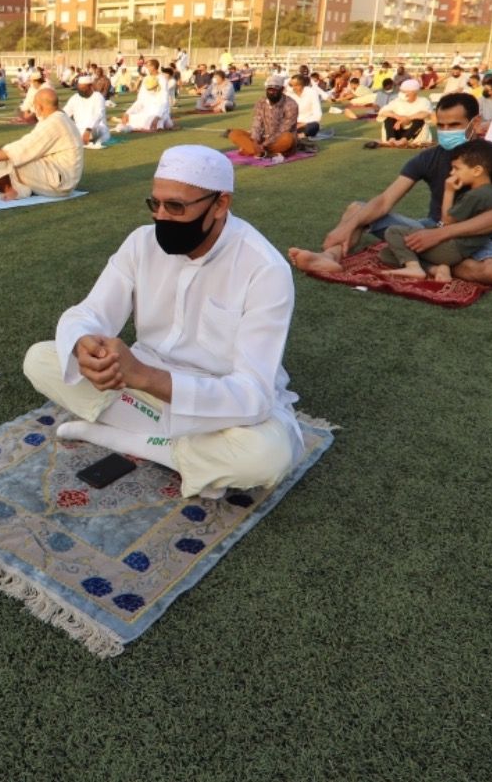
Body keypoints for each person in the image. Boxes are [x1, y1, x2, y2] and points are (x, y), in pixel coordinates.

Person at [21, 144, 302, 499]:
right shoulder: (141, 244)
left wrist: (145, 377)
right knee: (41, 359)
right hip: (141, 385)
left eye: (176, 206)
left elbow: (252, 394)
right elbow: (88, 313)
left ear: (220, 204)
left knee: (267, 456)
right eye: (156, 204)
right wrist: (83, 343)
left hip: (216, 402)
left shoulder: (264, 269)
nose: (162, 217)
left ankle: (122, 437)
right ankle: (188, 453)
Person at [288, 93, 492, 286]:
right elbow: (385, 201)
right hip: (430, 229)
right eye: (441, 125)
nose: (446, 131)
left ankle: (428, 263)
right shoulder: (429, 157)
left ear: (475, 123)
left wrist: (440, 235)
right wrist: (347, 226)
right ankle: (330, 257)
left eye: (454, 125)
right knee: (357, 210)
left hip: (477, 240)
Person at [378, 140, 492, 282]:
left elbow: (446, 221)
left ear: (477, 170)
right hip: (462, 250)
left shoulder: (477, 195)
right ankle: (436, 269)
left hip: (452, 250)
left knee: (394, 232)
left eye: (456, 168)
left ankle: (414, 268)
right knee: (386, 254)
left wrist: (449, 191)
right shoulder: (489, 192)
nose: (452, 173)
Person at [227, 73, 300, 159]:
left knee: (288, 138)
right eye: (269, 90)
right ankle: (262, 152)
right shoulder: (261, 102)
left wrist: (263, 144)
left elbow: (283, 130)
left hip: (278, 139)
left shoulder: (291, 104)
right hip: (262, 138)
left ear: (282, 89)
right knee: (234, 134)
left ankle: (256, 150)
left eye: (275, 90)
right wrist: (255, 141)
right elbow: (256, 123)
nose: (271, 92)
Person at [116, 63, 173, 132]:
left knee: (155, 121)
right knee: (131, 118)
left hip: (160, 111)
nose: (146, 69)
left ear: (153, 67)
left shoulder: (162, 80)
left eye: (148, 67)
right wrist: (127, 113)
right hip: (147, 110)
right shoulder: (146, 79)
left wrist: (157, 116)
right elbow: (140, 101)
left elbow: (164, 102)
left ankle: (163, 122)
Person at [375, 78, 433, 146]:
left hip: (413, 134)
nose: (403, 94)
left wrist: (408, 118)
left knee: (419, 120)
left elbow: (425, 113)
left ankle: (404, 140)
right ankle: (391, 139)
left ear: (414, 92)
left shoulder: (424, 101)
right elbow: (383, 111)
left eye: (405, 92)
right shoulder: (397, 101)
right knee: (389, 118)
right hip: (397, 130)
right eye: (402, 92)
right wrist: (398, 117)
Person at [63, 73, 109, 145]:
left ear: (90, 86)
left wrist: (88, 129)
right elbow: (65, 113)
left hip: (96, 129)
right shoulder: (75, 97)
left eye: (83, 89)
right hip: (79, 129)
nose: (80, 91)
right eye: (79, 89)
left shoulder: (98, 97)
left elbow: (98, 114)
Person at [286, 72, 323, 140]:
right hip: (293, 124)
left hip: (307, 124)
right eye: (292, 85)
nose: (294, 88)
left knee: (314, 126)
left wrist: (303, 124)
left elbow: (318, 115)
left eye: (296, 85)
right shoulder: (289, 94)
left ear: (302, 85)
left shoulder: (312, 93)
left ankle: (298, 137)